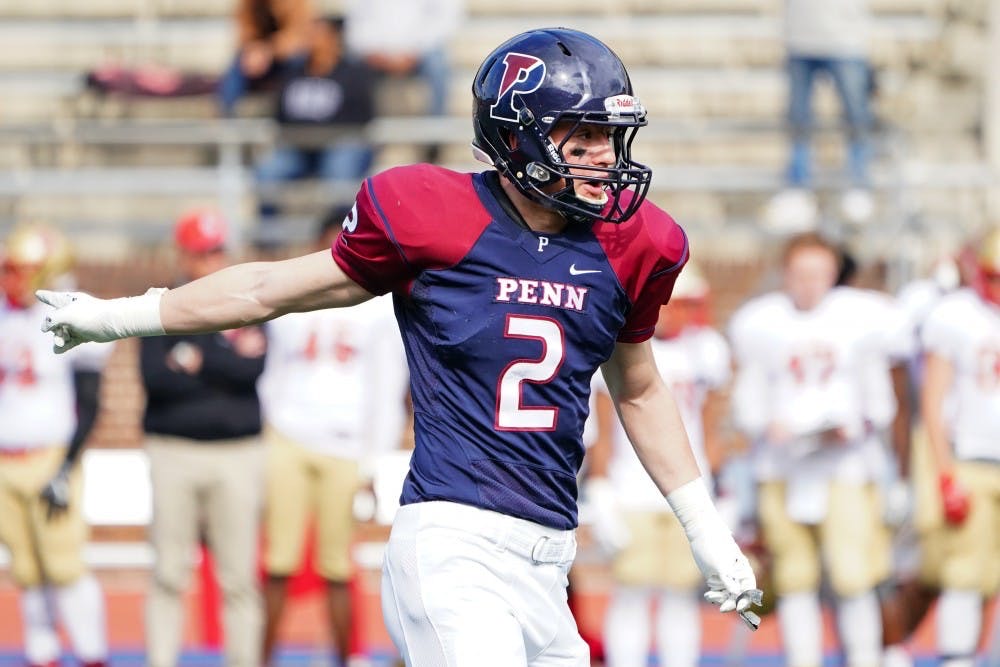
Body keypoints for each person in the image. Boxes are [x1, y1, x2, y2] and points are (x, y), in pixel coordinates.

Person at [37, 28, 760, 666]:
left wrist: (706, 530)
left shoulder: (636, 244)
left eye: (611, 135)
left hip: (551, 555)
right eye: (583, 137)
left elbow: (639, 386)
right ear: (518, 138)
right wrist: (122, 316)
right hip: (455, 542)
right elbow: (266, 289)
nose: (606, 157)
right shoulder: (432, 216)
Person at [728, 233, 908, 667]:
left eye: (818, 273)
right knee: (795, 579)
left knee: (854, 578)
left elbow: (880, 403)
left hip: (845, 468)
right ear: (786, 274)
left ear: (832, 274)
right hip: (783, 469)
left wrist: (854, 425)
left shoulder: (860, 317)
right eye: (800, 273)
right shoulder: (763, 322)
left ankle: (864, 659)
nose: (809, 283)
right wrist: (765, 425)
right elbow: (748, 401)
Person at [258, 206, 408, 665]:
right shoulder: (294, 294)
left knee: (337, 566)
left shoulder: (379, 306)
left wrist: (373, 460)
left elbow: (387, 387)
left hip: (346, 444)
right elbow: (272, 373)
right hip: (288, 434)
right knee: (278, 562)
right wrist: (267, 430)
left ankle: (345, 656)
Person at [585, 262, 732, 667]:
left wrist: (719, 487)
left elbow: (711, 427)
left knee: (680, 595)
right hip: (632, 489)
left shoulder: (707, 350)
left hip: (688, 487)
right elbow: (602, 428)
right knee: (631, 592)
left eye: (684, 303)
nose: (675, 312)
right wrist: (600, 488)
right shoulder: (619, 344)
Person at [139, 209, 268, 667]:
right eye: (202, 253)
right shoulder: (160, 303)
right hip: (173, 451)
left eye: (216, 251)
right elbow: (156, 378)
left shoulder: (246, 301)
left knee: (239, 578)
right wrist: (223, 359)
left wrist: (197, 357)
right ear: (183, 256)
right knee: (168, 573)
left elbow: (251, 370)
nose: (211, 261)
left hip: (237, 453)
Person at [0, 222, 111, 667]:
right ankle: (41, 654)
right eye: (8, 268)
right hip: (5, 460)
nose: (11, 278)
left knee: (64, 566)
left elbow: (90, 400)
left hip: (49, 456)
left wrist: (66, 466)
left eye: (21, 269)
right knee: (26, 569)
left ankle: (92, 654)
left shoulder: (64, 314)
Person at [920, 226, 1000, 667]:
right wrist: (944, 471)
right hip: (971, 458)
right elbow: (933, 399)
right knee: (963, 572)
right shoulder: (956, 315)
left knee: (987, 578)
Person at [255, 17, 378, 244]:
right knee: (267, 171)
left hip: (339, 144)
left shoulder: (352, 73)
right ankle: (269, 242)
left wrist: (324, 130)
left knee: (340, 171)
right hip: (299, 147)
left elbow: (363, 115)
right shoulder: (293, 71)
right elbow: (279, 113)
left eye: (319, 35)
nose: (312, 40)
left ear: (333, 39)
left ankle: (340, 238)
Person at [762, 0, 876, 233]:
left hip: (845, 37)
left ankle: (859, 183)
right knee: (798, 119)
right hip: (800, 37)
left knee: (856, 117)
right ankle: (798, 186)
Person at [342, 0, 463, 162]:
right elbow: (355, 25)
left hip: (420, 52)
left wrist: (415, 51)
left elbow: (446, 20)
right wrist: (376, 53)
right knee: (351, 65)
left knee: (438, 65)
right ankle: (358, 134)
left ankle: (435, 136)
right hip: (376, 53)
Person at [218, 0, 315, 117]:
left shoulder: (296, 3)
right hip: (258, 56)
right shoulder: (249, 4)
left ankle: (289, 113)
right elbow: (245, 34)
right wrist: (253, 51)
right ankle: (226, 114)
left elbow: (297, 37)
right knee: (238, 65)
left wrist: (268, 50)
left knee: (296, 60)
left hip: (284, 56)